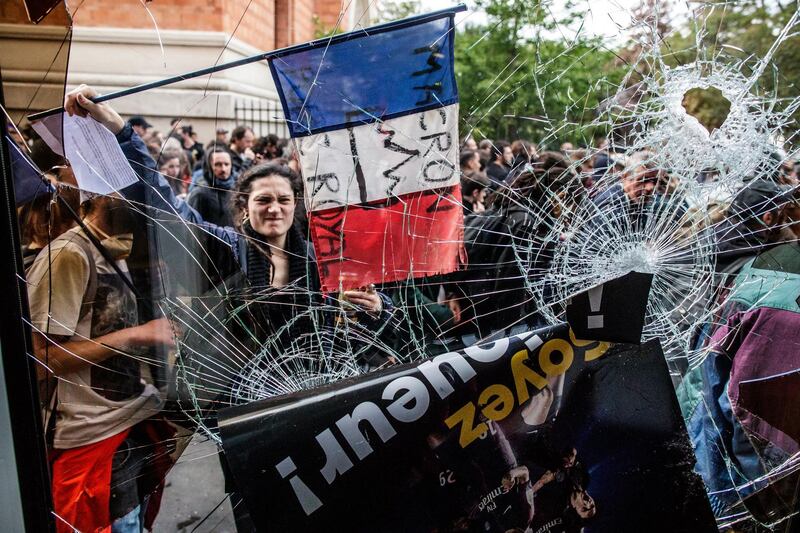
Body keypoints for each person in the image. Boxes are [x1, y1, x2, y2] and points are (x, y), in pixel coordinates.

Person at [28, 86, 180, 533]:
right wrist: (137, 335)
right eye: (125, 186)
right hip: (88, 442)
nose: (137, 198)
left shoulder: (123, 250)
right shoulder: (69, 255)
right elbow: (40, 360)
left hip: (131, 425)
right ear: (100, 190)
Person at [186, 147, 235, 227]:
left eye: (226, 164)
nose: (223, 169)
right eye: (218, 164)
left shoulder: (236, 190)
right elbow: (192, 225)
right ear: (209, 167)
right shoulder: (199, 193)